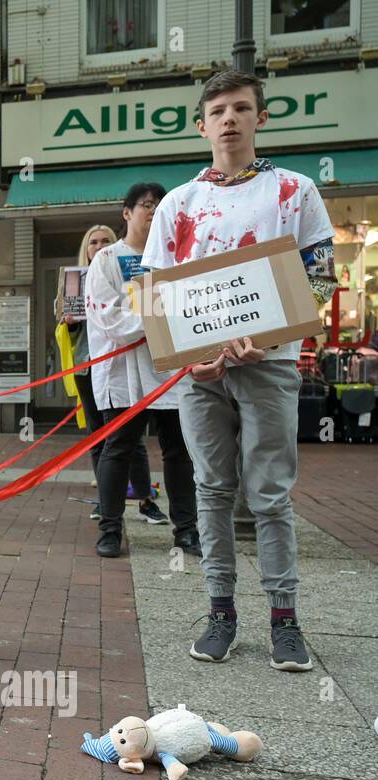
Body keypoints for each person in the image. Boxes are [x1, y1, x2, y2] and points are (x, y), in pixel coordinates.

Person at [142, 70, 337, 672]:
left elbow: (321, 278)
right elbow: (151, 298)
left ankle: (286, 619)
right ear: (202, 125)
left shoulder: (296, 192)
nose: (229, 119)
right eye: (219, 110)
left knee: (271, 495)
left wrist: (272, 336)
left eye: (241, 108)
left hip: (271, 365)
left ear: (260, 118)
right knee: (211, 489)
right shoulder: (178, 204)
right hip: (200, 376)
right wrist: (181, 355)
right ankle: (220, 610)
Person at [85, 183, 199, 559]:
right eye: (145, 205)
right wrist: (156, 319)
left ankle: (186, 531)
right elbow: (108, 318)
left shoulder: (176, 260)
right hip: (124, 373)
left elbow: (189, 310)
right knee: (118, 450)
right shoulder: (107, 259)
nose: (152, 211)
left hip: (171, 372)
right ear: (127, 212)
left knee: (179, 453)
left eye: (159, 205)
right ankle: (110, 529)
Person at [58, 226, 163, 524]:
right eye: (93, 241)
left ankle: (145, 499)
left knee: (130, 436)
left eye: (105, 240)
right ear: (85, 248)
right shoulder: (73, 282)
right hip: (88, 366)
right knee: (99, 436)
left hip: (122, 365)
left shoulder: (125, 270)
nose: (99, 245)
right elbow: (66, 328)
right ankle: (107, 501)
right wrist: (70, 321)